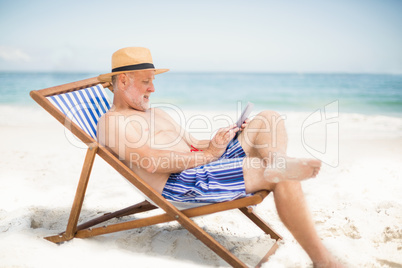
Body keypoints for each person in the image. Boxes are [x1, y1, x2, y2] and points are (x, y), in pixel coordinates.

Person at [97, 47, 342, 267]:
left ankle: (277, 161)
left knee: (268, 119)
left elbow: (192, 143)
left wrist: (221, 140)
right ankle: (324, 262)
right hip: (181, 183)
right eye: (146, 81)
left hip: (202, 164)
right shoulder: (113, 122)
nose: (153, 88)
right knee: (278, 175)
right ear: (124, 79)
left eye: (152, 81)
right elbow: (151, 161)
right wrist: (209, 154)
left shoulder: (155, 112)